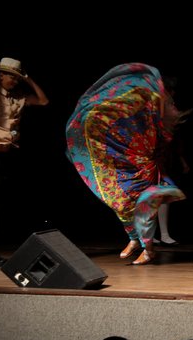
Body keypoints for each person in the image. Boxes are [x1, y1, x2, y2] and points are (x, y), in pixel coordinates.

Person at [65, 63, 186, 266]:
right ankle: (134, 239)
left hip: (145, 163)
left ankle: (148, 249)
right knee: (119, 202)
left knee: (143, 205)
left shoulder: (165, 110)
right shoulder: (142, 102)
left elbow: (165, 136)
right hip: (128, 160)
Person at [0, 58, 49, 268]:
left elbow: (43, 101)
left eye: (17, 77)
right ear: (0, 76)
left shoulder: (19, 98)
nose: (14, 80)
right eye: (10, 76)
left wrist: (27, 79)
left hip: (8, 153)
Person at [154, 77, 191, 246]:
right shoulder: (154, 105)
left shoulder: (169, 105)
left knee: (164, 194)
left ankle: (164, 234)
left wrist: (182, 160)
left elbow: (176, 138)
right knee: (151, 196)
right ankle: (148, 235)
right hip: (151, 157)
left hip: (164, 158)